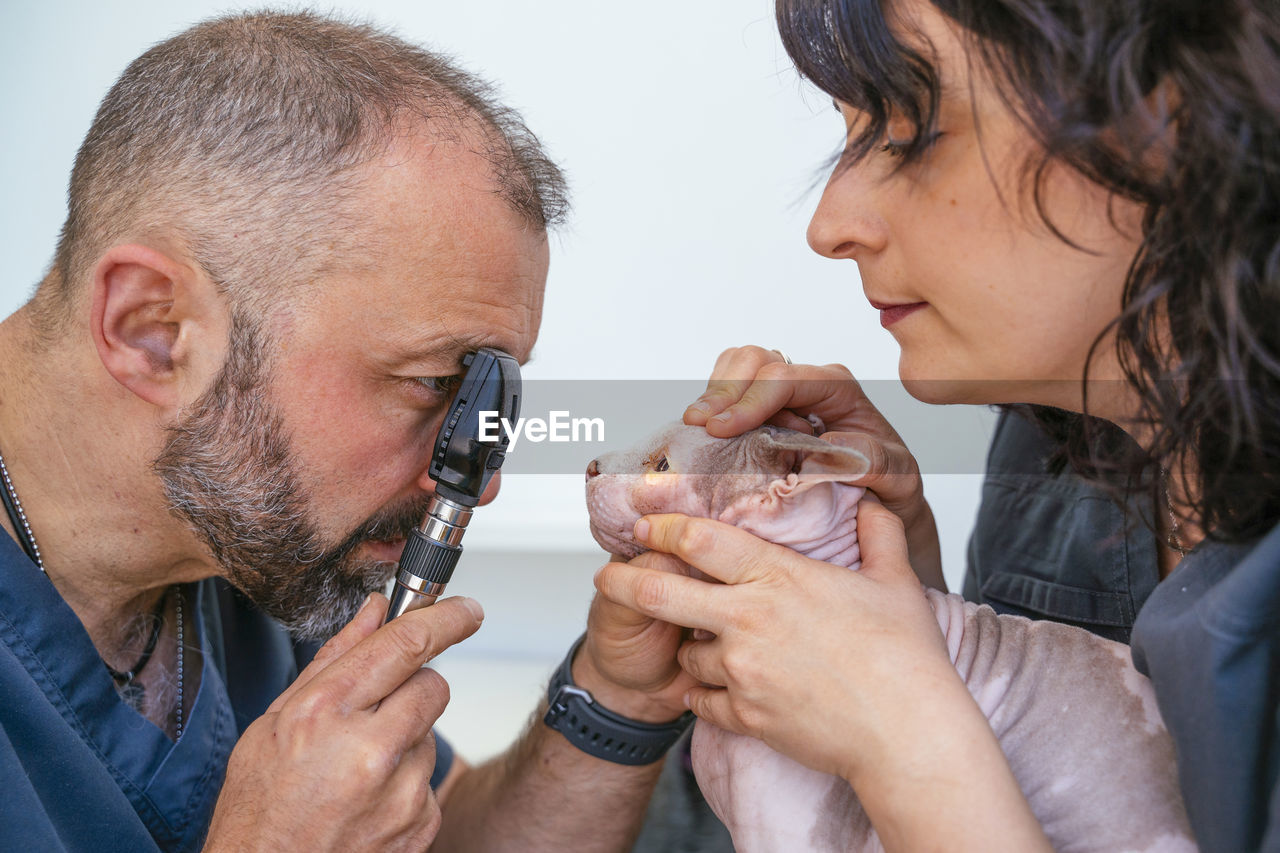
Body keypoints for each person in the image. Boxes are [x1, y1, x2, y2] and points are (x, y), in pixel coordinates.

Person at [0, 11, 701, 851]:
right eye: (430, 384)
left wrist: (617, 695)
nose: (473, 476)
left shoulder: (246, 531)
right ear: (154, 330)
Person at [596, 0, 1280, 849]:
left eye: (911, 132)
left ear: (1176, 111)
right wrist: (904, 591)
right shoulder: (1056, 448)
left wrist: (901, 733)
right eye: (847, 138)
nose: (829, 227)